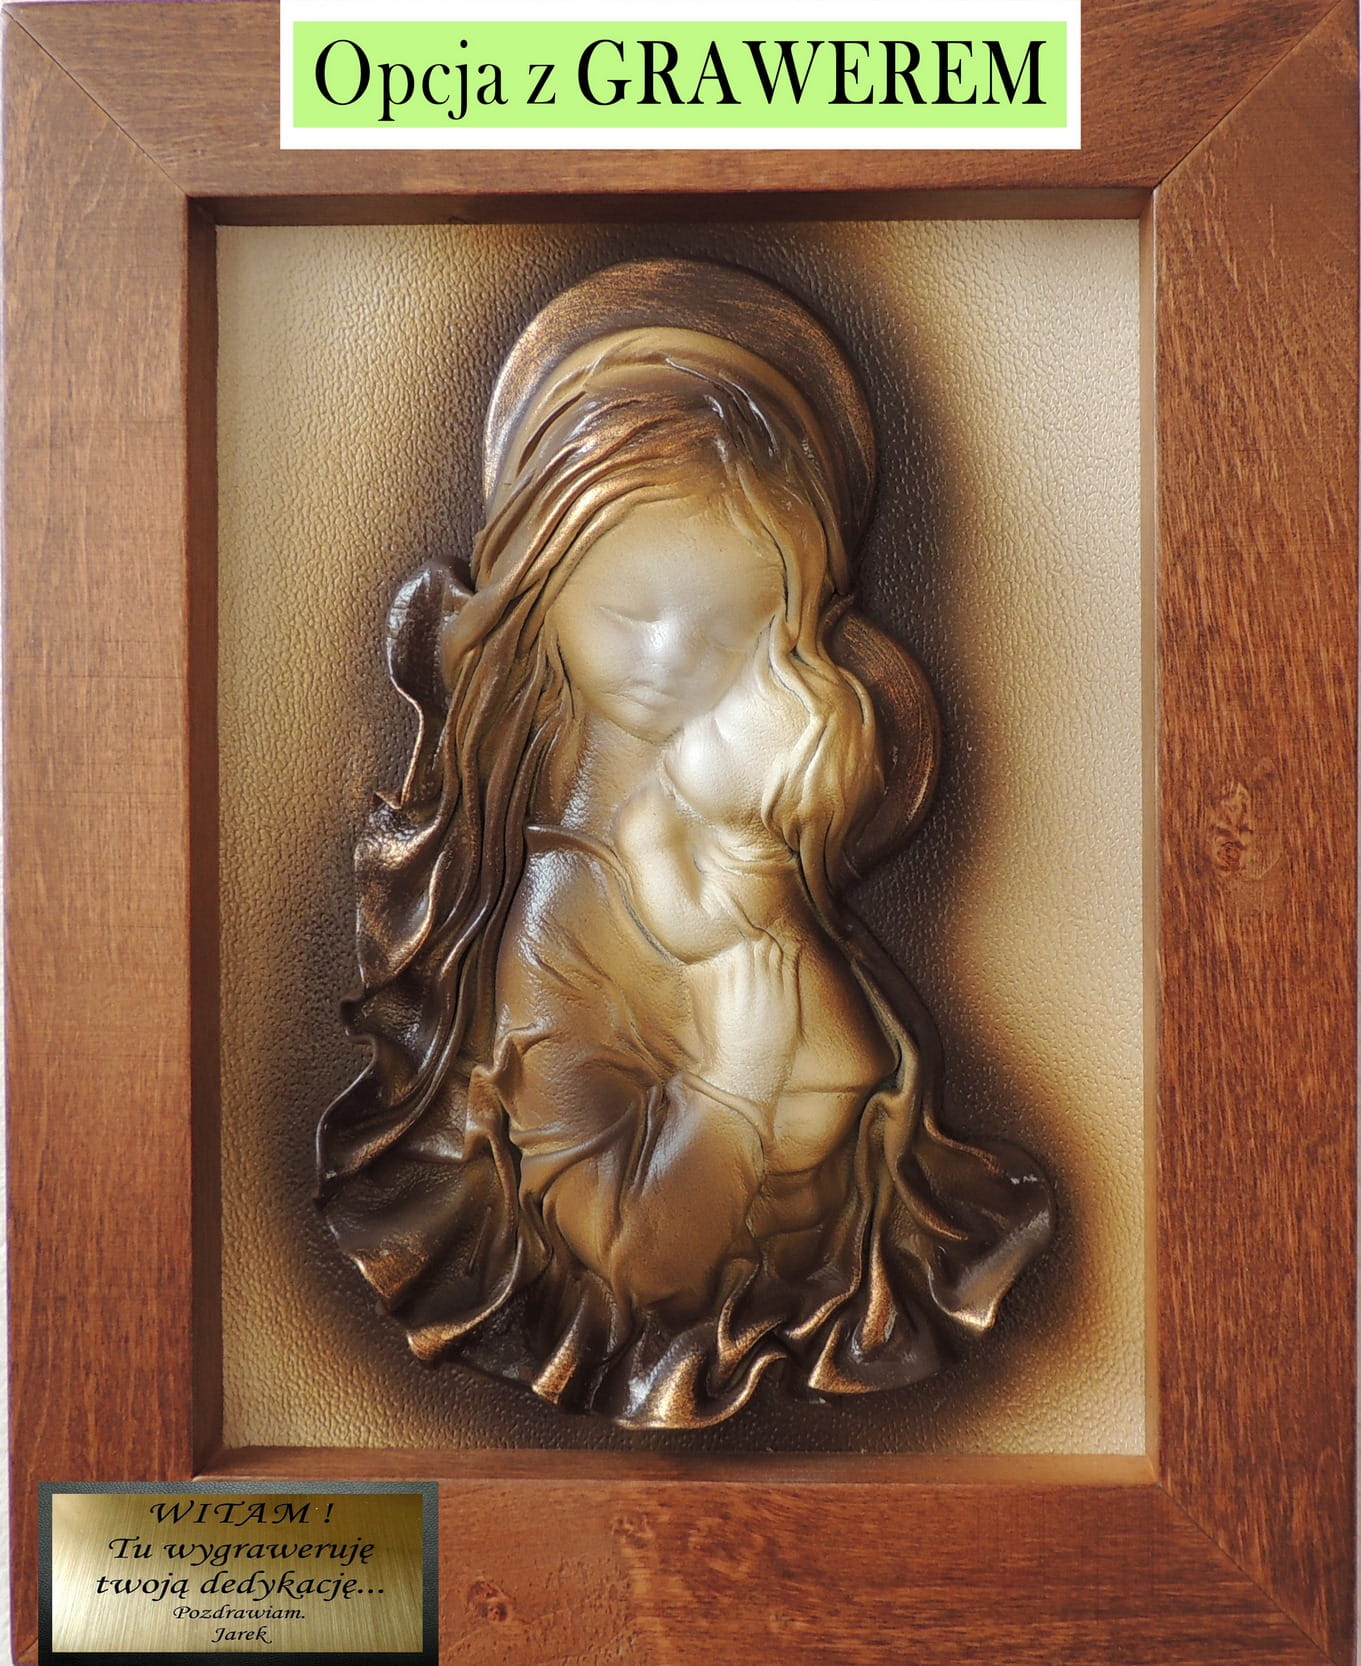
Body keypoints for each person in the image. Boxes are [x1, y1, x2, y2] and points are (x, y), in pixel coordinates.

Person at [316, 262, 1052, 1427]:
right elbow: (635, 1259)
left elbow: (853, 1062)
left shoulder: (745, 817)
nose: (670, 661)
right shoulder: (557, 914)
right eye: (629, 611)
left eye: (727, 623)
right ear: (539, 592)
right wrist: (735, 1079)